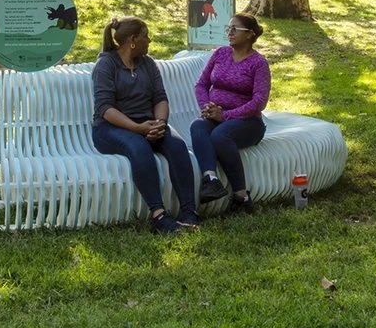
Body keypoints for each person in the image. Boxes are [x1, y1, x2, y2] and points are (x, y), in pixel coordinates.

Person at [91, 16, 197, 231]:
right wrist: (138, 128)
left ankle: (189, 212)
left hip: (148, 124)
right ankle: (159, 216)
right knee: (139, 147)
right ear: (132, 40)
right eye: (145, 35)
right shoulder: (105, 65)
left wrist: (160, 124)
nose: (149, 40)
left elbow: (160, 98)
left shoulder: (147, 64)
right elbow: (106, 109)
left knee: (177, 145)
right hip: (110, 128)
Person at [189, 14, 271, 215]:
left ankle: (241, 196)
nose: (230, 32)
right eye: (228, 28)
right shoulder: (220, 54)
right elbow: (202, 84)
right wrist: (207, 106)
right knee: (197, 126)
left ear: (250, 34)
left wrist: (225, 116)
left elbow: (259, 102)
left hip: (248, 122)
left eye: (236, 29)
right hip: (216, 116)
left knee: (220, 135)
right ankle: (211, 180)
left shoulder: (258, 63)